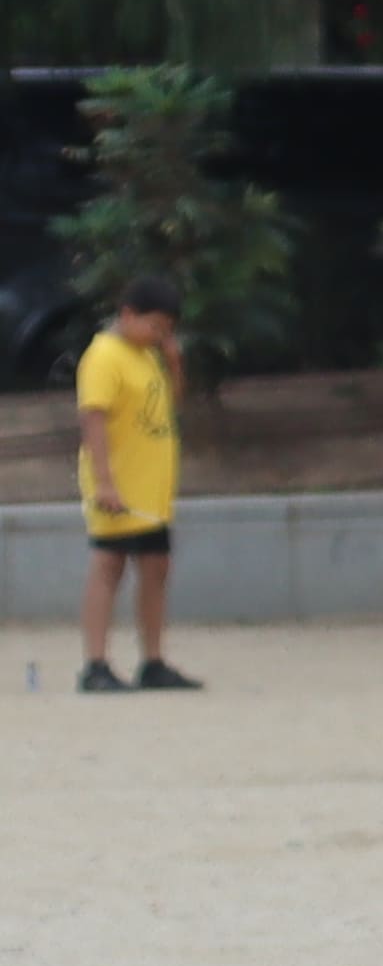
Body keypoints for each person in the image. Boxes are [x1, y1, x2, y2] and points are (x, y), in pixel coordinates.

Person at [69, 274, 192, 692]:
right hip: (116, 485)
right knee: (110, 565)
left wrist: (174, 361)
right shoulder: (104, 355)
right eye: (154, 326)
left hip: (151, 488)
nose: (160, 335)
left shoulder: (148, 355)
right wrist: (104, 481)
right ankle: (96, 664)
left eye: (167, 330)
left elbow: (170, 406)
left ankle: (153, 660)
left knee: (157, 568)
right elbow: (93, 418)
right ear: (128, 314)